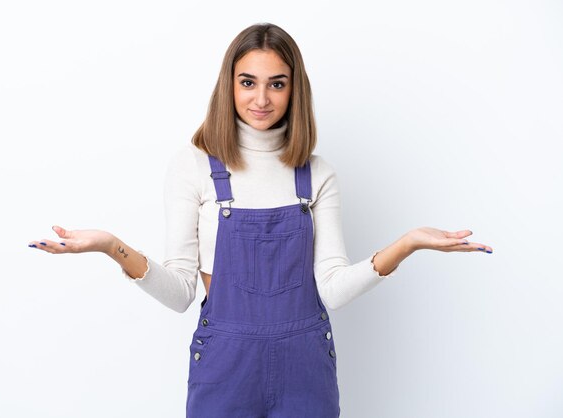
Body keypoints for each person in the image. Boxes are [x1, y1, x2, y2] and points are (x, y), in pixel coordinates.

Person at [29, 22, 493, 418]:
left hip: (304, 365)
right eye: (248, 82)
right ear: (228, 85)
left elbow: (331, 287)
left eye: (277, 83)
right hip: (225, 367)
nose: (262, 99)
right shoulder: (194, 166)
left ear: (295, 89)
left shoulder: (316, 175)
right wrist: (113, 247)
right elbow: (180, 294)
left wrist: (405, 245)